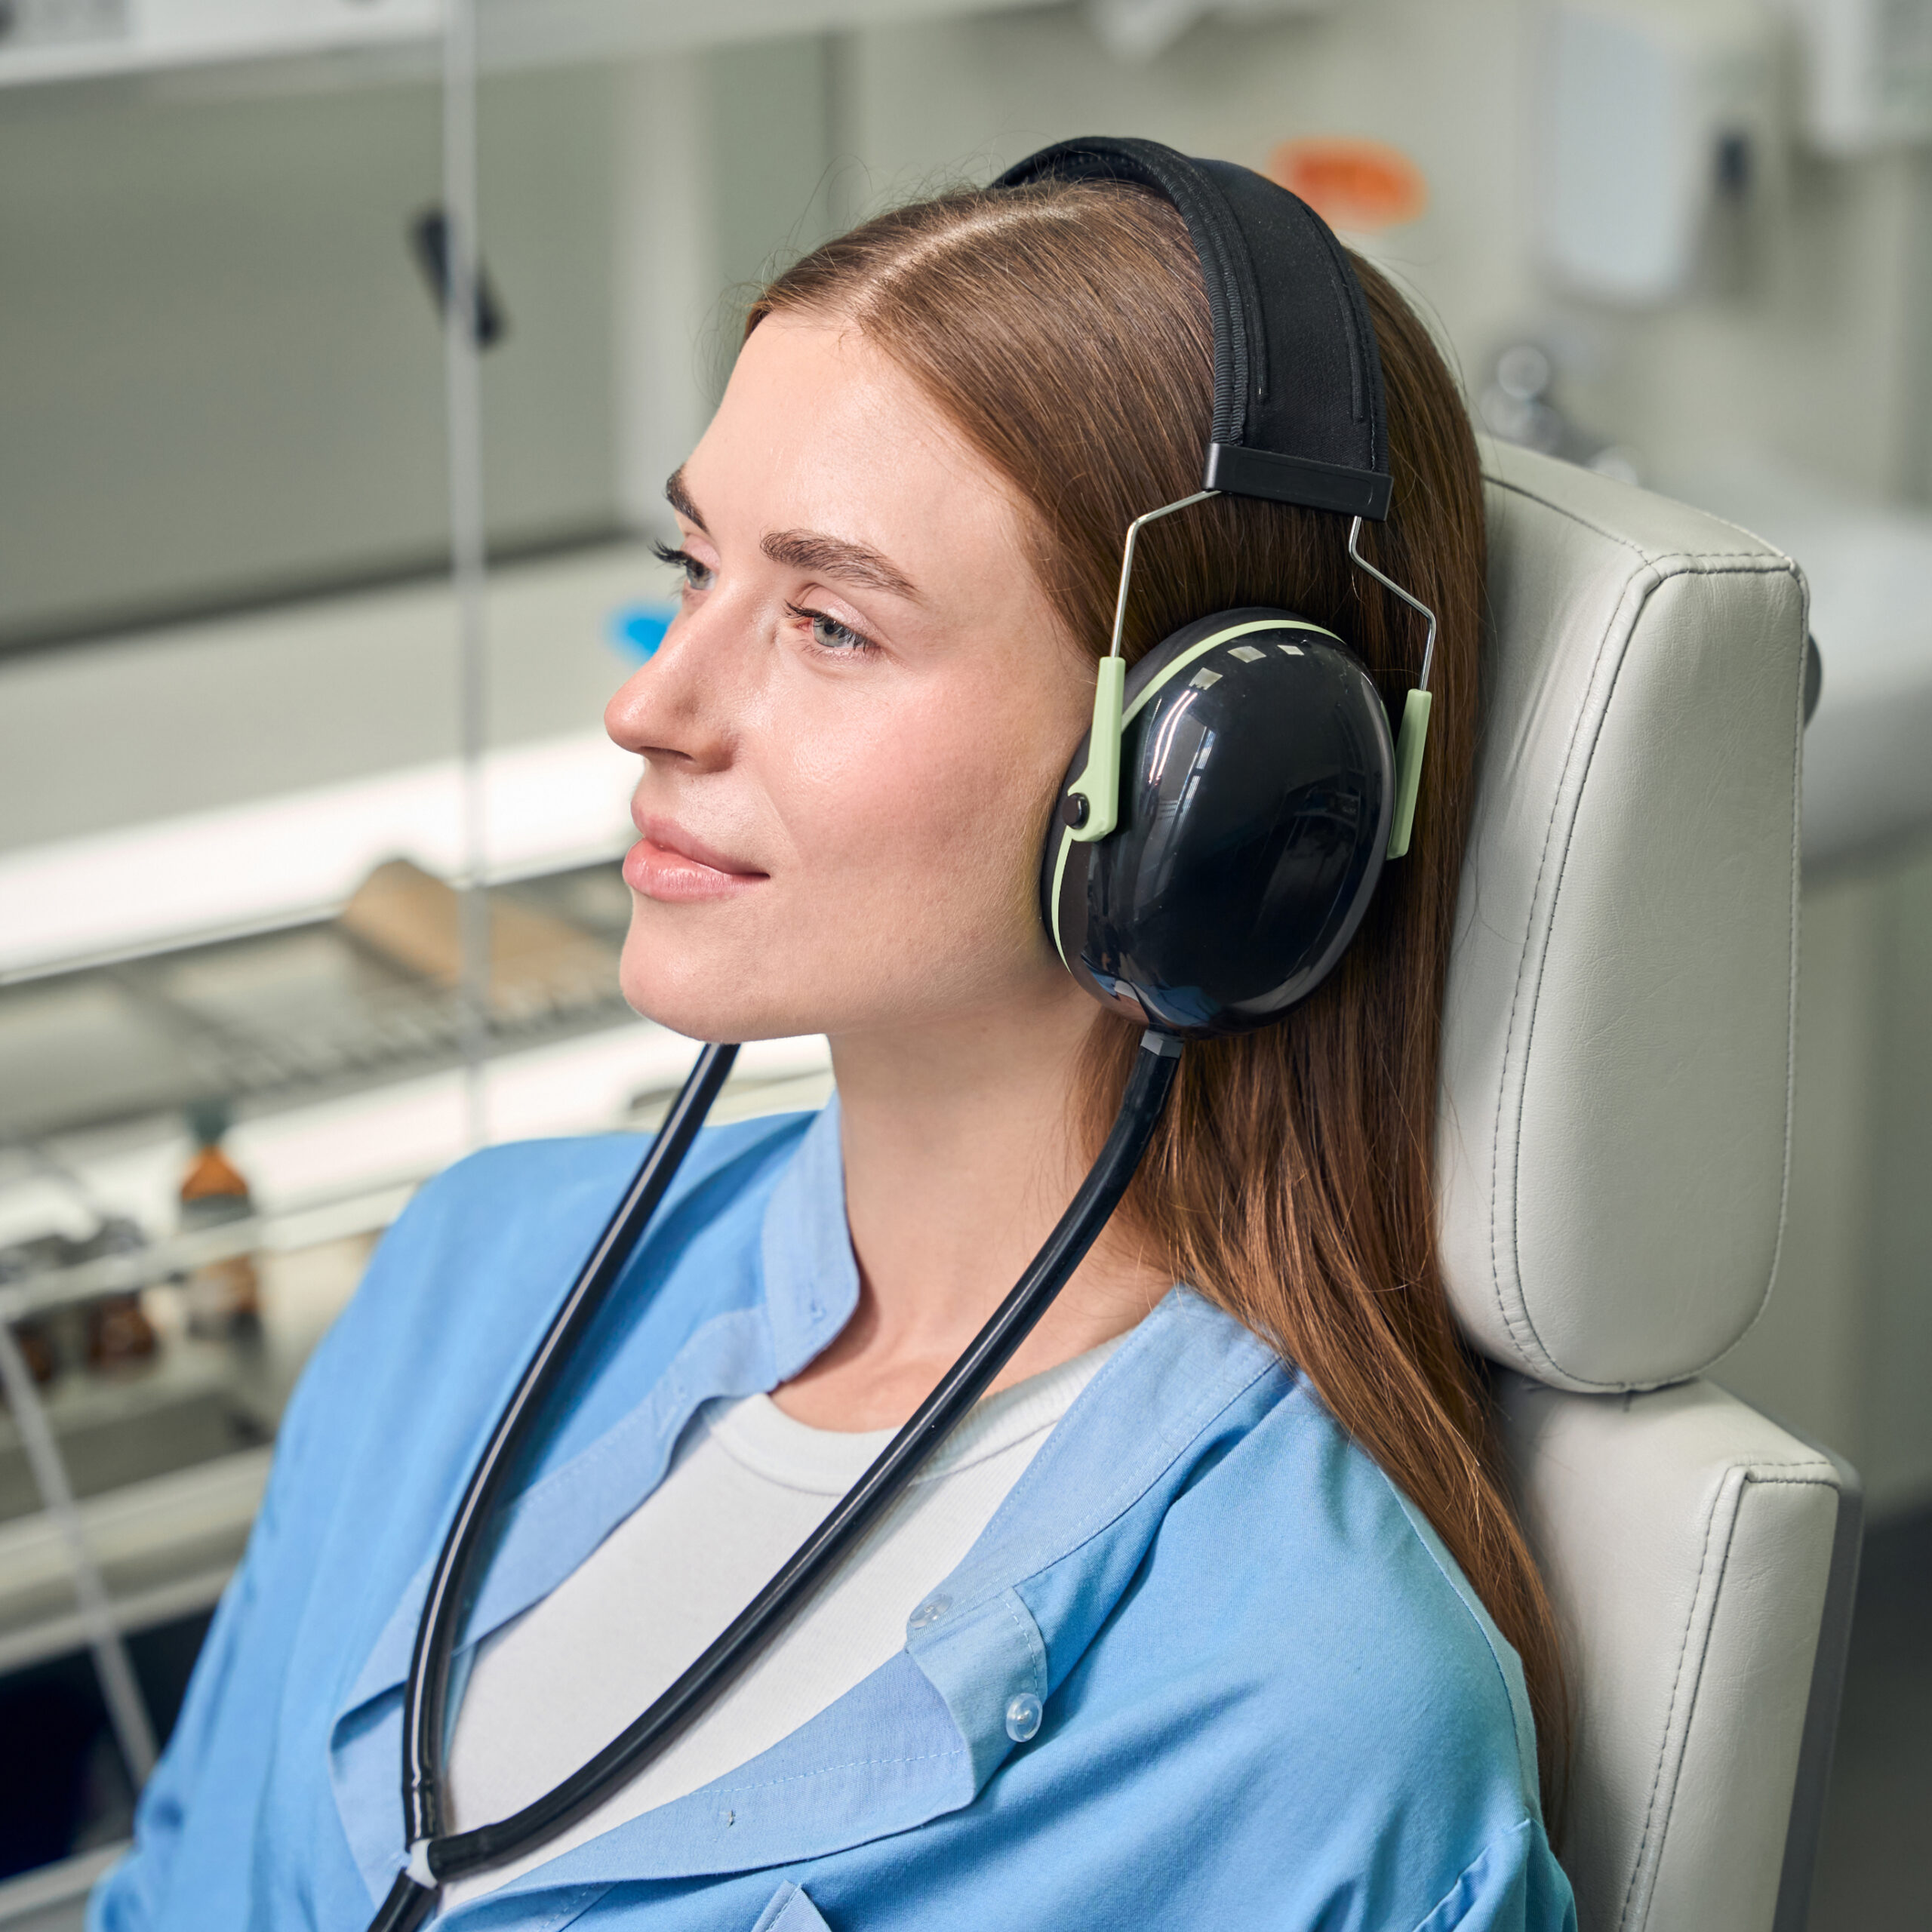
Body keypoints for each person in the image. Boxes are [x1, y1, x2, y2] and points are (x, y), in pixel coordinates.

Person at [91, 156, 1577, 1932]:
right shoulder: (467, 1271)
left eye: (829, 621)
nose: (653, 703)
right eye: (691, 564)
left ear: (1214, 790)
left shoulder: (1305, 1715)